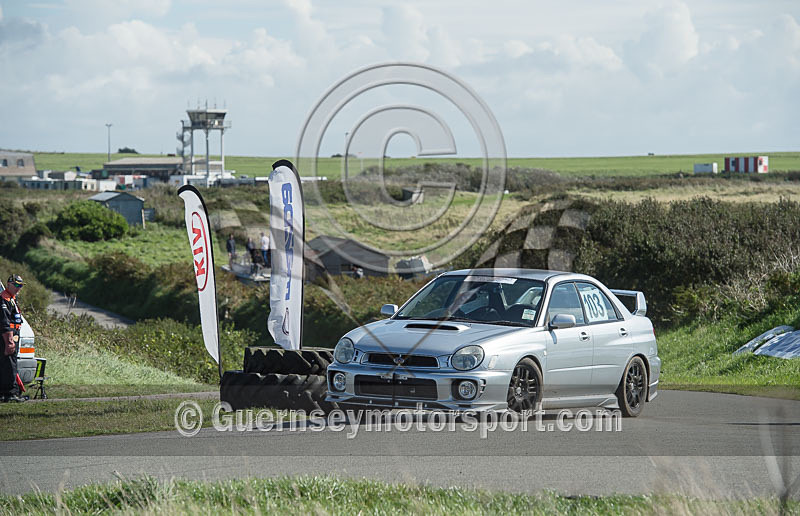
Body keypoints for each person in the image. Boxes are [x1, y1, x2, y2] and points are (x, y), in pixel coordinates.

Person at [0, 275, 25, 403]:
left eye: (20, 285)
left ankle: (7, 392)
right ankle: (10, 393)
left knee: (9, 363)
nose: (18, 288)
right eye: (16, 285)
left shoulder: (11, 298)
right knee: (9, 364)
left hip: (14, 333)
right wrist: (9, 341)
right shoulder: (4, 298)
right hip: (8, 336)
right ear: (8, 284)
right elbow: (4, 322)